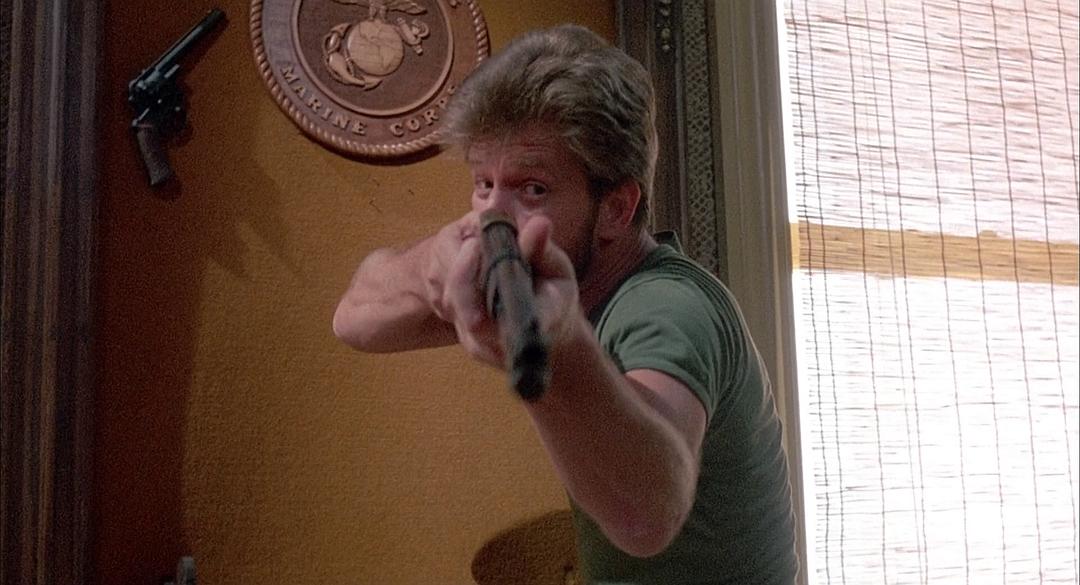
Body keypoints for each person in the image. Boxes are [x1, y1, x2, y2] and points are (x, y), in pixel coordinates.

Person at [333, 24, 799, 584]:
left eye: (532, 189)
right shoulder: (537, 261)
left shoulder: (666, 306)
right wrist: (434, 264)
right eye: (483, 183)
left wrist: (562, 348)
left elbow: (646, 516)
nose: (494, 217)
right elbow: (354, 321)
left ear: (616, 209)